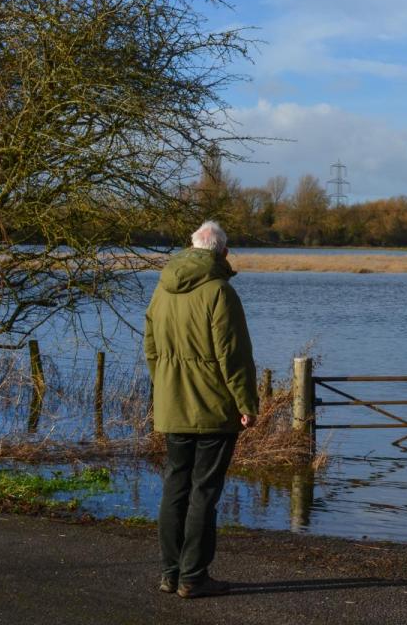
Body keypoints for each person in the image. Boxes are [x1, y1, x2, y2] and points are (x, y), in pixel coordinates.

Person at [143, 220, 259, 599]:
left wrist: (164, 387)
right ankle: (193, 576)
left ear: (191, 248)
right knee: (204, 490)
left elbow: (150, 346)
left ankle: (170, 572)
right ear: (222, 252)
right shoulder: (219, 292)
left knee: (175, 485)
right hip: (212, 408)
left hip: (172, 404)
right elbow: (234, 356)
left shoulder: (163, 287)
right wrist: (246, 403)